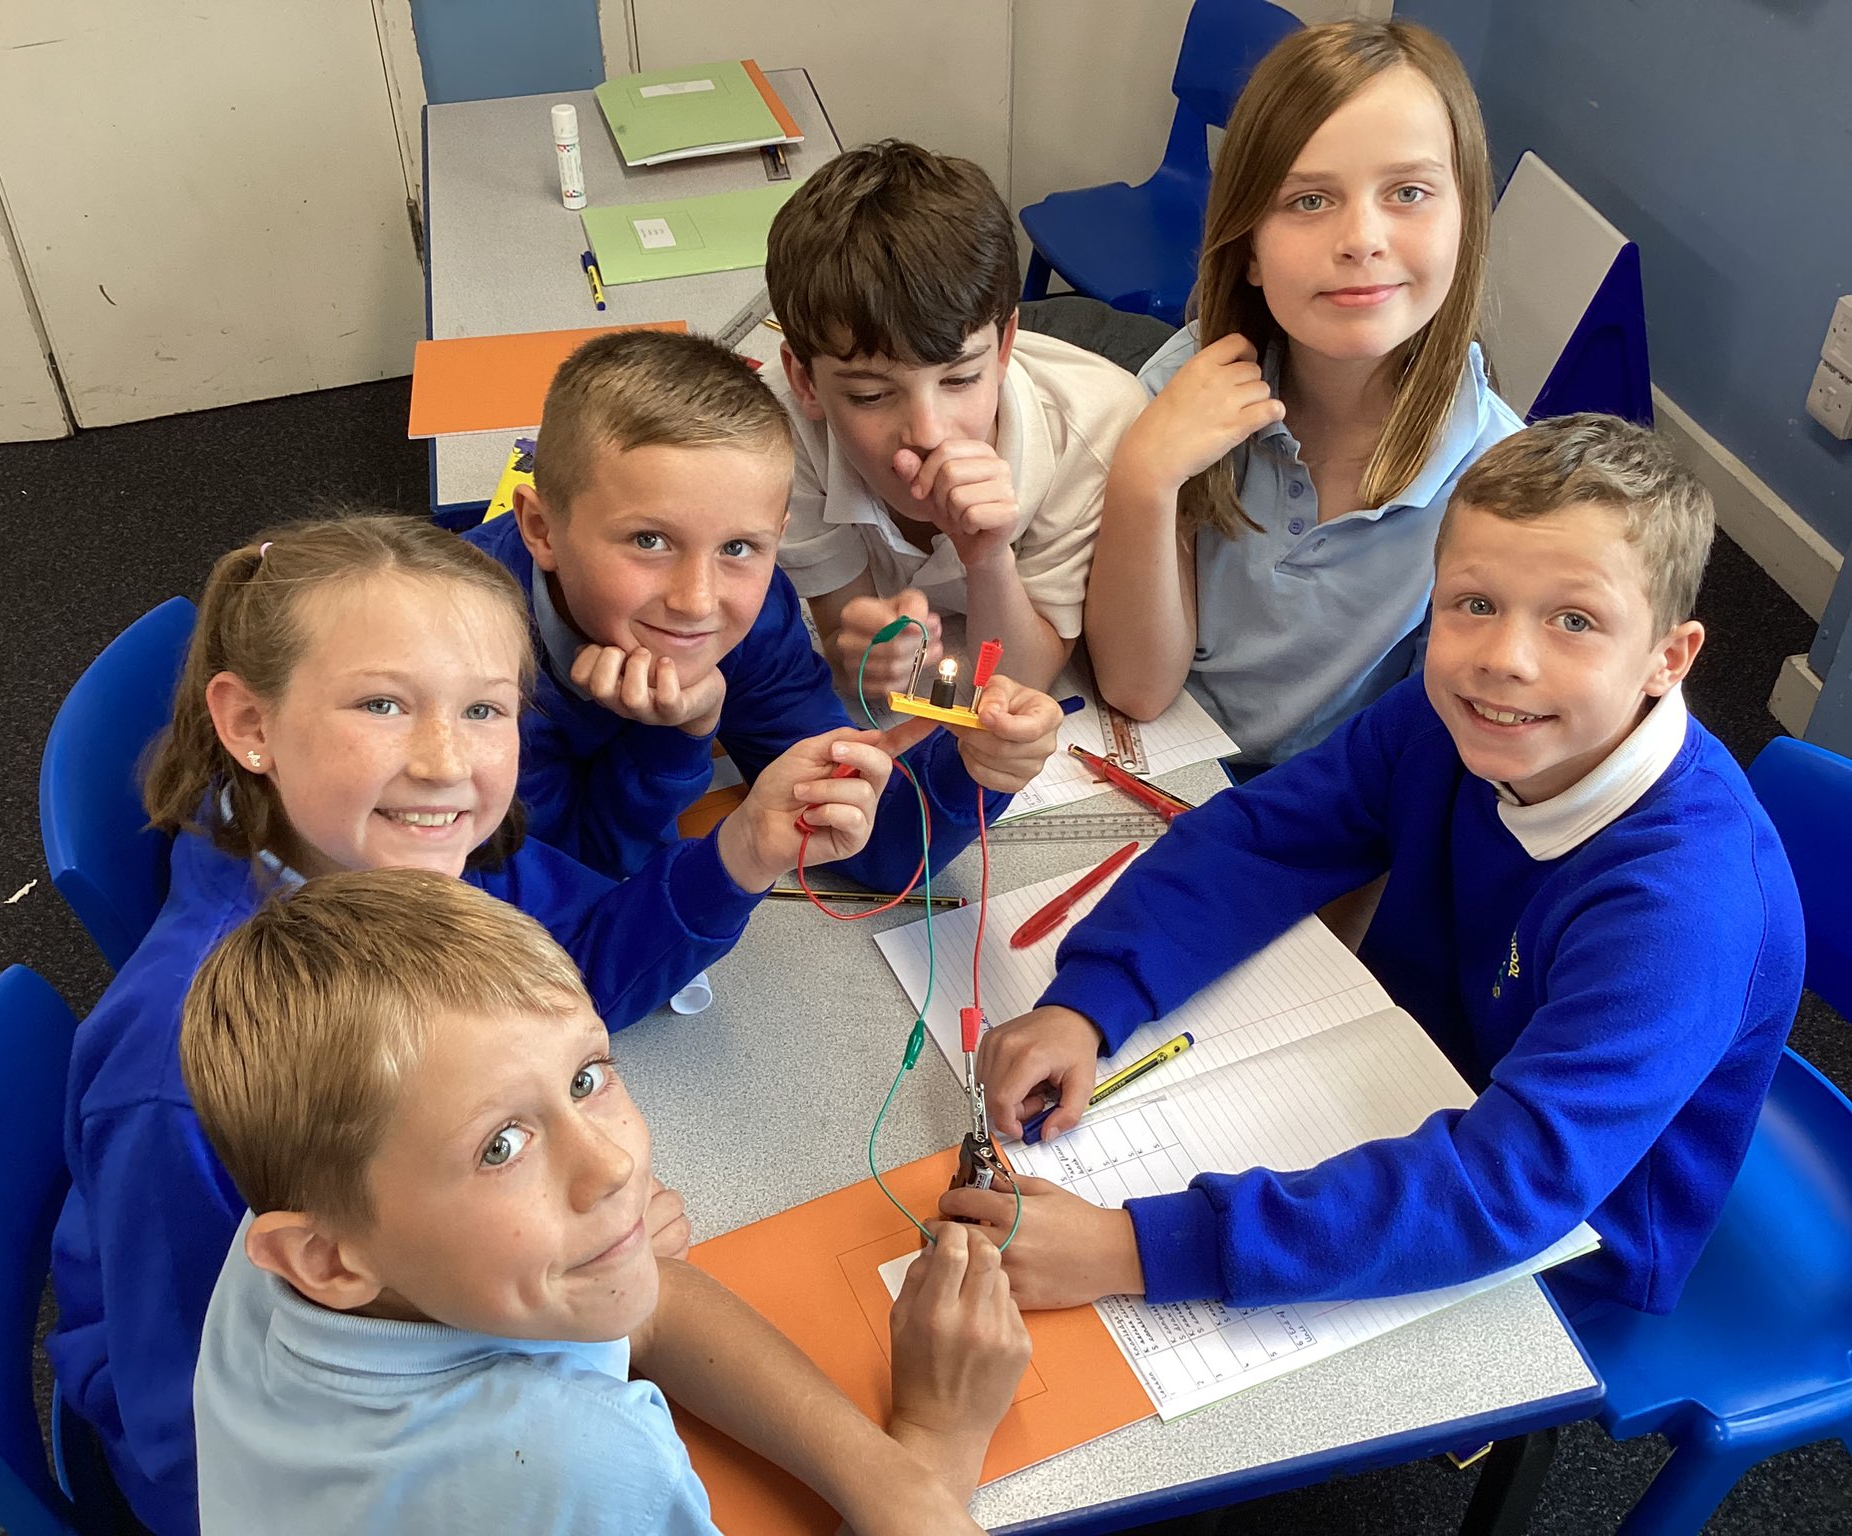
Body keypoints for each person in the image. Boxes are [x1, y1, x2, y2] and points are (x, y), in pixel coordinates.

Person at [49, 514, 899, 1535]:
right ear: (249, 725)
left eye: (487, 709)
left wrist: (743, 853)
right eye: (381, 704)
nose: (447, 760)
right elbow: (186, 1438)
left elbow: (570, 971)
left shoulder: (415, 860)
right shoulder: (172, 1075)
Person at [950, 416, 1805, 1321]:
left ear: (1667, 660)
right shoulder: (1457, 714)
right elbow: (1262, 839)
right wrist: (1088, 1000)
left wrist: (1138, 1248)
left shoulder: (1688, 907)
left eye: (1575, 621)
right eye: (1474, 603)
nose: (1504, 659)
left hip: (1565, 1250)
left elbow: (1508, 1190)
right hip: (1409, 1078)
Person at [184, 867, 1031, 1534]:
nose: (612, 1168)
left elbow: (647, 1308)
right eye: (500, 1146)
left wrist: (887, 1482)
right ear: (325, 1259)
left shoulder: (298, 1227)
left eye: (586, 1078)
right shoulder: (576, 1459)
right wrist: (936, 1441)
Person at [469, 328, 1063, 885]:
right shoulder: (458, 670)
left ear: (776, 536)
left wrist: (975, 767)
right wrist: (674, 738)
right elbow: (572, 904)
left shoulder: (749, 619)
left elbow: (864, 837)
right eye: (649, 541)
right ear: (542, 529)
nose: (697, 600)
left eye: (738, 547)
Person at [1086, 20, 1523, 771]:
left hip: (1327, 817)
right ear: (1248, 247)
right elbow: (1138, 688)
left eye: (1409, 192)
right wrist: (1144, 479)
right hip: (1158, 764)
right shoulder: (1177, 388)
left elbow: (1431, 771)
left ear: (1465, 222)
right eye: (1310, 201)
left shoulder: (1499, 487)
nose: (1362, 239)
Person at [763, 139, 1149, 696]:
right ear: (805, 382)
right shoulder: (775, 429)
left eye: (960, 380)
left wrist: (989, 558)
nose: (927, 433)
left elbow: (1021, 680)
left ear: (1003, 346)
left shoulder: (1095, 432)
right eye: (871, 395)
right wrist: (865, 662)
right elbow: (851, 644)